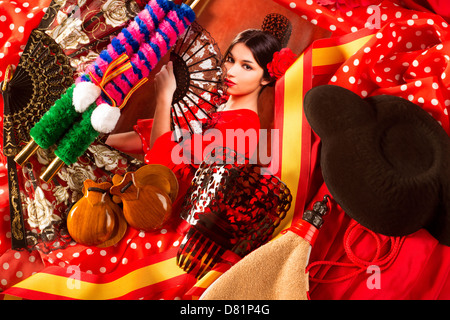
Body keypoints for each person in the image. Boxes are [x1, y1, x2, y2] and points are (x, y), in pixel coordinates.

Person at [106, 29, 283, 214]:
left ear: (266, 78)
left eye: (247, 66)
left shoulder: (243, 127)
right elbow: (160, 134)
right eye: (230, 59)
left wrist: (164, 99)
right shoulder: (216, 103)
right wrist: (102, 142)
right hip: (147, 191)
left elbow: (163, 168)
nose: (231, 71)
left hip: (164, 207)